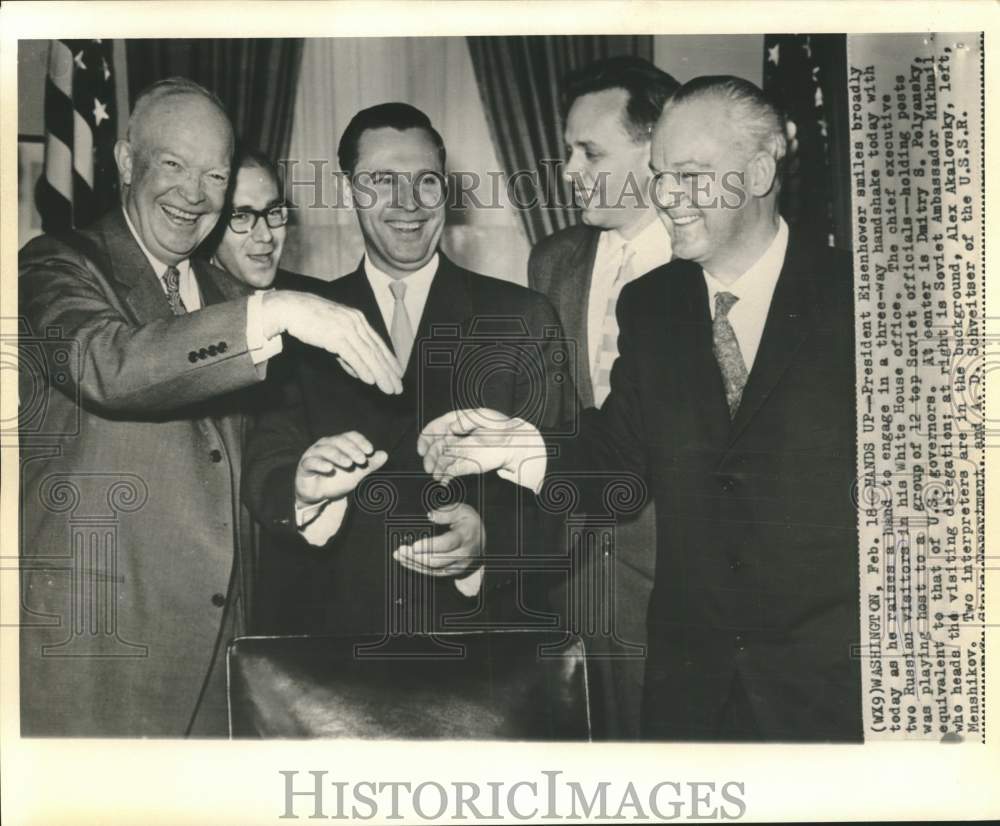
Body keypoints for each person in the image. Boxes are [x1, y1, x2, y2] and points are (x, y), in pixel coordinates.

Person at [418, 76, 862, 742]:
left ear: (760, 173)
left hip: (829, 694)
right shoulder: (654, 305)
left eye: (690, 176)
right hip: (692, 690)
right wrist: (515, 446)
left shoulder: (863, 299)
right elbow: (615, 465)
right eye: (660, 175)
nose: (667, 197)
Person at [18, 77, 402, 737]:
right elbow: (106, 365)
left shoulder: (228, 295)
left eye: (215, 175)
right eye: (174, 165)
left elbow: (246, 456)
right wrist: (275, 308)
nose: (195, 194)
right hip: (98, 656)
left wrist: (302, 487)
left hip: (219, 660)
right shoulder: (55, 265)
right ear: (126, 161)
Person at [242, 103, 574, 639]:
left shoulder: (523, 317)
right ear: (349, 190)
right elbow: (267, 458)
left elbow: (564, 478)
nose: (409, 203)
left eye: (426, 181)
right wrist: (302, 489)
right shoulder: (302, 319)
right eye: (382, 181)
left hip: (477, 643)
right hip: (333, 642)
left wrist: (490, 543)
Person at [527, 56, 678, 740]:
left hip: (679, 577)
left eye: (590, 152)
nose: (568, 170)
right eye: (568, 151)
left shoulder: (707, 260)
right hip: (573, 573)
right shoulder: (551, 260)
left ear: (655, 150)